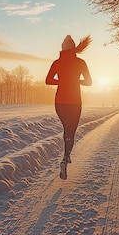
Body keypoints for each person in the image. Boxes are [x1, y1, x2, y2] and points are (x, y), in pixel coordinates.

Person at [45, 34, 92, 180]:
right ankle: (65, 159)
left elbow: (48, 80)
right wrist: (75, 81)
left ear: (62, 48)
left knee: (67, 130)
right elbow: (89, 82)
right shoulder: (81, 63)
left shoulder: (56, 63)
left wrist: (62, 81)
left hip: (59, 102)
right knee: (70, 132)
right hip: (74, 101)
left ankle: (67, 155)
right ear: (73, 48)